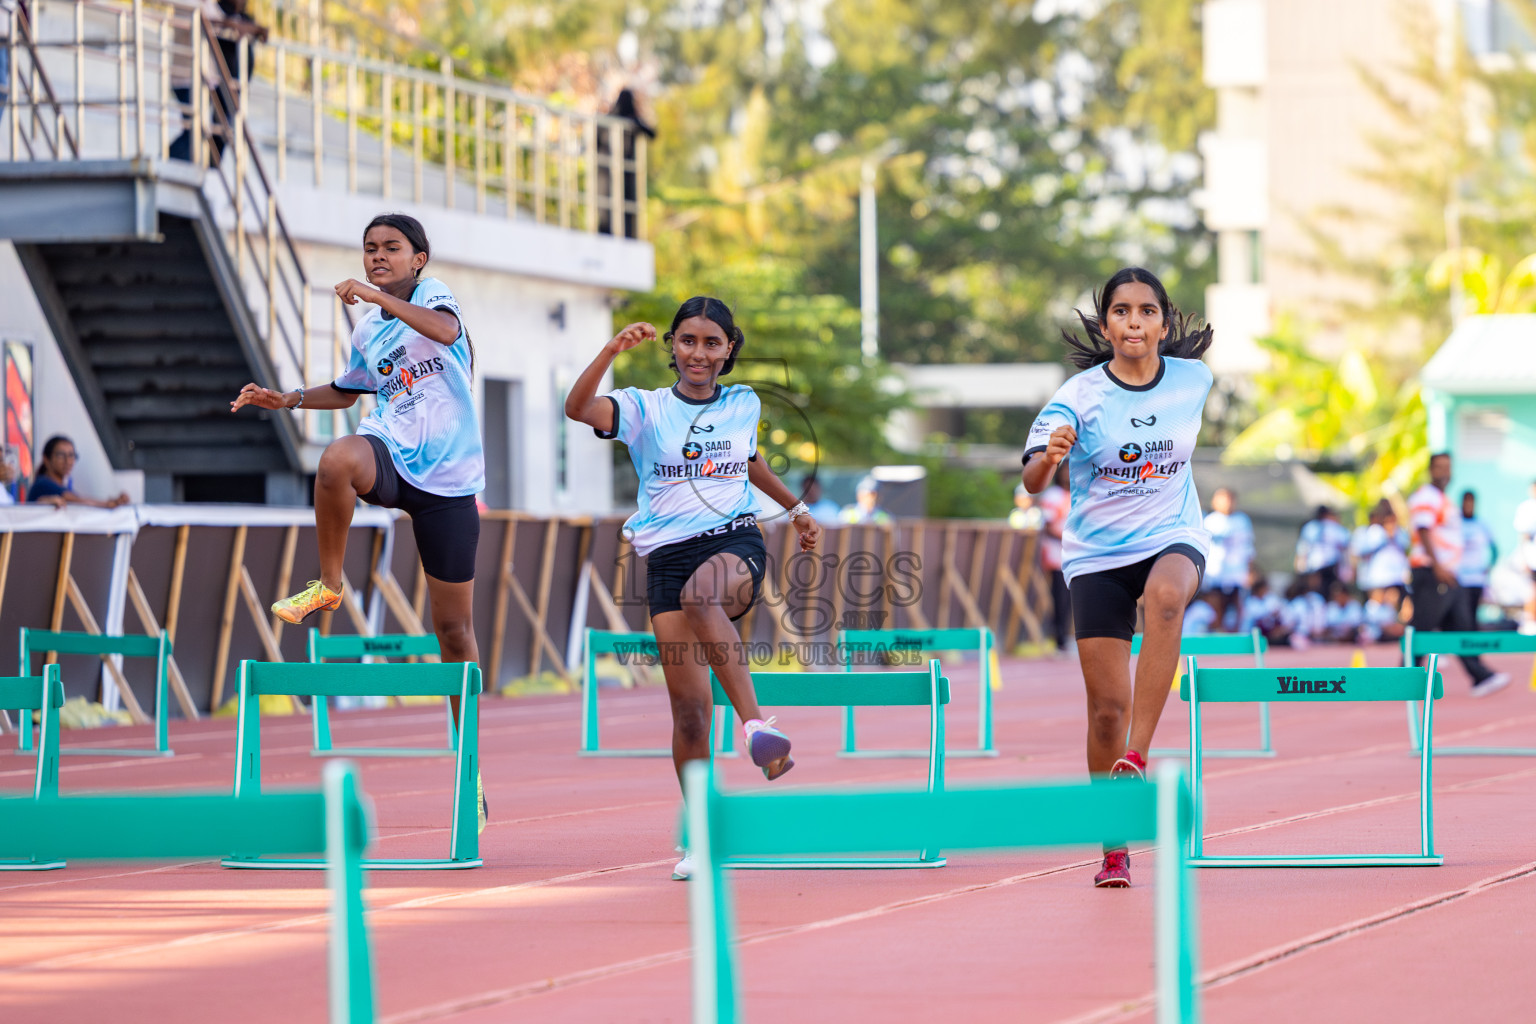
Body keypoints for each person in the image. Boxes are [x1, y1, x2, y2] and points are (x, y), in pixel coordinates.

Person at [230, 213, 489, 823]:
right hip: (392, 453)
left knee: (454, 633)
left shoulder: (432, 298)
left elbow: (447, 334)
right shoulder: (370, 327)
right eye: (370, 249)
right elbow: (349, 391)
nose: (378, 257)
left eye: (391, 249)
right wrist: (288, 397)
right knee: (337, 459)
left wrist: (375, 296)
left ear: (418, 259)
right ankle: (329, 583)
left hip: (450, 481)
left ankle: (469, 766)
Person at [563, 296, 823, 881]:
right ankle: (703, 837)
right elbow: (577, 407)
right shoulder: (642, 409)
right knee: (687, 714)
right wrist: (609, 350)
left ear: (729, 349)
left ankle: (758, 726)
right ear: (671, 347)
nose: (698, 353)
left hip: (734, 541)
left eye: (711, 343)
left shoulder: (743, 402)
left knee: (702, 598)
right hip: (664, 557)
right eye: (687, 341)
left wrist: (797, 508)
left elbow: (749, 461)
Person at [1021, 265, 1213, 888]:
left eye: (1146, 311)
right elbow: (1029, 482)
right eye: (1122, 312)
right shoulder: (1075, 396)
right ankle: (1113, 846)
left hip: (1173, 533)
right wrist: (1051, 457)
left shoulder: (1193, 379)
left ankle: (1139, 754)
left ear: (1163, 321)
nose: (1135, 322)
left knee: (1165, 600)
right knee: (1105, 709)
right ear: (1104, 325)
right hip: (1097, 555)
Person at [1406, 453, 1509, 696]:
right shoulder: (1427, 496)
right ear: (1430, 470)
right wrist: (1438, 565)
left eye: (1448, 468)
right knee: (1423, 625)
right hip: (1432, 571)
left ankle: (1480, 676)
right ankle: (1403, 676)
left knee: (1461, 626)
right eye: (1439, 468)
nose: (1444, 473)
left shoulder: (1442, 499)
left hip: (1448, 573)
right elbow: (1423, 529)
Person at [27, 436, 129, 508]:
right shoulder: (42, 484)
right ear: (46, 459)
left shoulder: (65, 486)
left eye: (71, 455)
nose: (67, 461)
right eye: (61, 455)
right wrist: (107, 504)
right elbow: (77, 501)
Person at [1202, 487, 1253, 632]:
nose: (1228, 503)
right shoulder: (1209, 521)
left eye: (1231, 500)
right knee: (1215, 606)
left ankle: (1236, 636)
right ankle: (1218, 634)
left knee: (1238, 606)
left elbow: (1248, 547)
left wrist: (1249, 571)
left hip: (1236, 573)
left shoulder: (1242, 521)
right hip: (1215, 573)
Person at [1037, 464, 1072, 653]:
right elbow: (1048, 526)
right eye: (1065, 470)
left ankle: (1066, 636)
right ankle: (1059, 639)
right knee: (1059, 599)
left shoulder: (1078, 493)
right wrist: (1068, 539)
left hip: (1076, 556)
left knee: (1073, 600)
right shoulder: (1053, 496)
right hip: (1056, 555)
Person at [1351, 499, 1409, 609]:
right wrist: (1385, 535)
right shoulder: (1374, 532)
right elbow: (1360, 550)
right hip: (1378, 579)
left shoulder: (1399, 532)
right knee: (1376, 609)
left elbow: (1406, 546)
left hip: (1396, 578)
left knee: (1394, 608)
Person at [1457, 489, 1496, 627]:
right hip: (1459, 579)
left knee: (1473, 615)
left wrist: (1489, 567)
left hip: (1477, 579)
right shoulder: (1455, 523)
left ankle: (1473, 647)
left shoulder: (1482, 524)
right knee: (1462, 616)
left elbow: (1495, 549)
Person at [1295, 505, 1351, 593]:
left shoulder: (1310, 527)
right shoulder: (1333, 527)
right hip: (1323, 567)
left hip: (1320, 567)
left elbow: (1302, 549)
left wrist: (1300, 567)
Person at [1513, 480, 1536, 631]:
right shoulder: (1527, 508)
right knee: (1532, 588)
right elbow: (1523, 536)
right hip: (1532, 558)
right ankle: (1530, 621)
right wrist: (1524, 559)